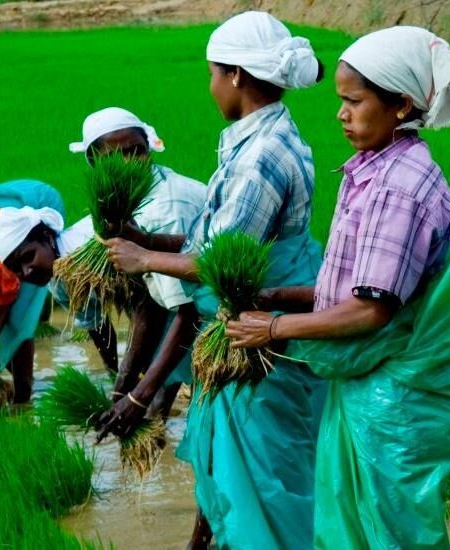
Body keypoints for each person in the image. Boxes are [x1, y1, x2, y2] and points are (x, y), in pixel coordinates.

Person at [225, 26, 450, 548]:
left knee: (390, 530)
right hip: (372, 385)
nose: (341, 114)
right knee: (355, 524)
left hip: (394, 399)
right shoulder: (373, 168)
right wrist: (283, 297)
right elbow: (356, 286)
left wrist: (275, 327)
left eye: (353, 101)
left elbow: (371, 311)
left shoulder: (399, 187)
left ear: (401, 106)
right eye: (340, 101)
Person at [95, 12, 325, 549]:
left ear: (237, 76)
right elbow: (213, 241)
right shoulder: (256, 139)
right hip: (253, 325)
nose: (210, 85)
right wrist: (148, 240)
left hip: (257, 337)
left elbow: (218, 261)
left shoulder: (262, 157)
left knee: (262, 483)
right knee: (244, 478)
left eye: (212, 73)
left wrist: (143, 259)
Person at [55, 107, 207, 416]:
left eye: (137, 151)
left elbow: (186, 311)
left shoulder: (166, 208)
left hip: (209, 311)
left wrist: (140, 398)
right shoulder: (118, 199)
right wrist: (122, 385)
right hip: (177, 304)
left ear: (149, 148)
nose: (130, 162)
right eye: (116, 155)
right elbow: (147, 301)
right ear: (95, 163)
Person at [0, 180, 65, 403]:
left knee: (18, 322)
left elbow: (5, 298)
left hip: (30, 220)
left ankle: (23, 397)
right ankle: (1, 387)